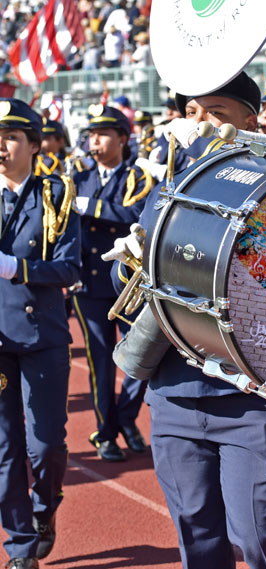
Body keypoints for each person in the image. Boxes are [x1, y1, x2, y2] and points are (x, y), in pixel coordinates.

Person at [113, 72, 266, 568]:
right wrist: (128, 264)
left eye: (217, 113)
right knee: (196, 538)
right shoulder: (169, 190)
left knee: (260, 535)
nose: (200, 125)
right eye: (194, 112)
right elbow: (133, 294)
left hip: (251, 393)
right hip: (175, 391)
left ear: (251, 119)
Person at [0, 97, 81, 568]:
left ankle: (44, 509)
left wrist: (16, 268)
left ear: (33, 144)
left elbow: (69, 266)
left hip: (41, 334)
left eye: (11, 136)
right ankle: (20, 546)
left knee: (46, 445)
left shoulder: (55, 195)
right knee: (6, 449)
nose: (2, 146)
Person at [72, 104, 152, 462]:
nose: (95, 141)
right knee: (100, 363)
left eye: (103, 134)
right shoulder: (77, 177)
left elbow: (135, 217)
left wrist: (91, 206)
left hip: (126, 284)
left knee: (139, 359)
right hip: (89, 286)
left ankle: (127, 418)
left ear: (122, 138)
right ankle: (106, 432)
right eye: (92, 134)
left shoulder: (137, 177)